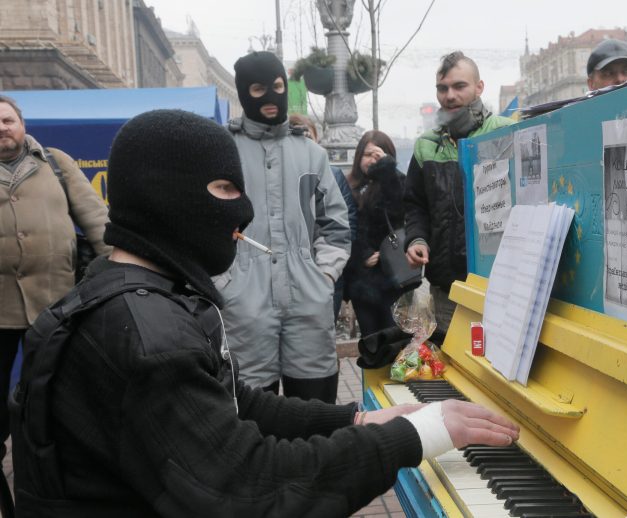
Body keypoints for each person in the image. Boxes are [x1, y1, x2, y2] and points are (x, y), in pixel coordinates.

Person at [10, 109, 521, 517]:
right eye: (226, 191)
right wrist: (416, 436)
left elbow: (235, 406)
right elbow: (249, 486)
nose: (242, 212)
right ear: (168, 197)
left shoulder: (141, 294)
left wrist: (359, 418)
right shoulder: (147, 335)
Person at [220, 51, 350, 404]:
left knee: (314, 408)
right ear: (245, 92)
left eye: (277, 86)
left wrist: (323, 275)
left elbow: (335, 223)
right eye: (259, 89)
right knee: (251, 409)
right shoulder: (223, 151)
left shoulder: (311, 154)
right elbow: (202, 221)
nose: (270, 97)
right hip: (243, 301)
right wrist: (224, 281)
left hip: (307, 297)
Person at [0, 95, 110, 445]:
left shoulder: (56, 163)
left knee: (59, 391)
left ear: (22, 125)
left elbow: (96, 220)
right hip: (0, 309)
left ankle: (56, 461)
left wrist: (119, 270)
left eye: (7, 120)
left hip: (56, 303)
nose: (1, 128)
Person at [404, 51, 513, 344]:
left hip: (501, 288)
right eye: (442, 88)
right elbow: (415, 205)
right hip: (447, 288)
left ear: (479, 87)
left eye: (459, 86)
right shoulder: (426, 146)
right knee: (453, 372)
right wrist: (416, 239)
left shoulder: (507, 133)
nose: (449, 95)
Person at [288, 113, 358, 321]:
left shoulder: (333, 174)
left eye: (308, 136)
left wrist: (328, 271)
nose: (304, 142)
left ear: (317, 138)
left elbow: (346, 220)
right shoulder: (281, 174)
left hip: (326, 269)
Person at [345, 130, 408, 337]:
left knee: (394, 337)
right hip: (362, 280)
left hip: (393, 275)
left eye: (378, 154)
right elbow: (345, 226)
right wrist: (360, 255)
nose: (372, 159)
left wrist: (386, 171)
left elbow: (399, 212)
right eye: (367, 154)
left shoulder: (396, 181)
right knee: (370, 340)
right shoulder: (348, 185)